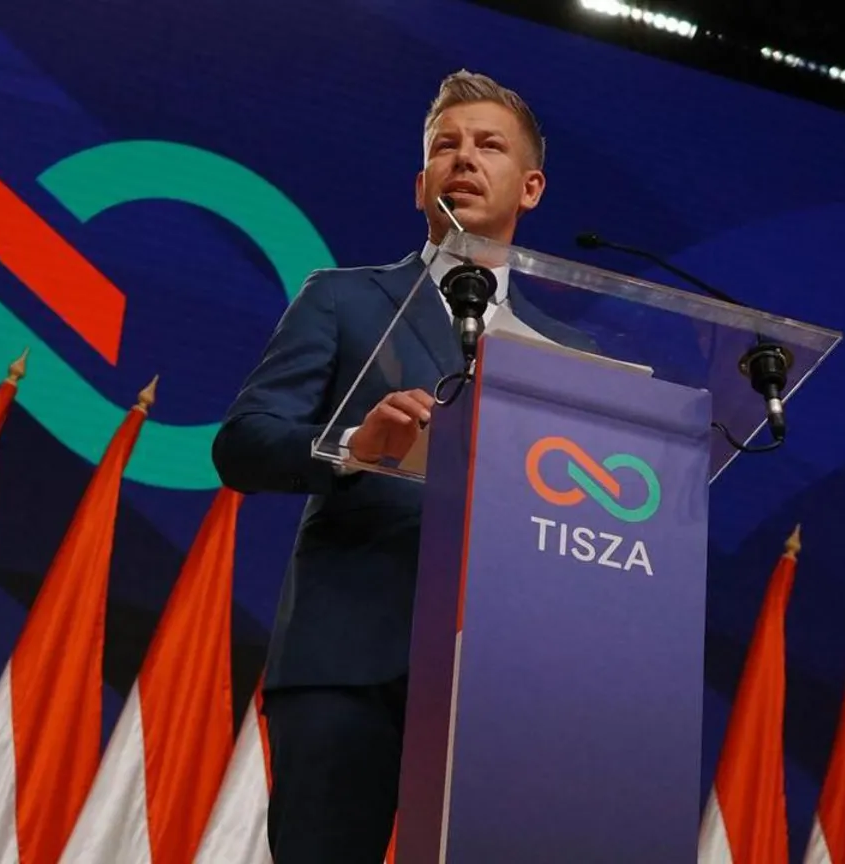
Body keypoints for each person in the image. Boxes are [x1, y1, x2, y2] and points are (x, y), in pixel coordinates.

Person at [212, 70, 593, 862]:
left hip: (503, 678)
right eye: (445, 146)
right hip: (349, 659)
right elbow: (245, 442)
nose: (465, 158)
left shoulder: (572, 356)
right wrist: (353, 446)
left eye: (489, 146)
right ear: (422, 185)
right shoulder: (343, 299)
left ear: (530, 188)